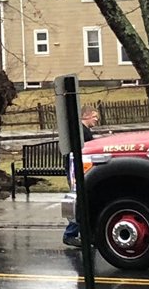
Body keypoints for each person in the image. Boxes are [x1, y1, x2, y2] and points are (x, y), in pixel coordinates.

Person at [62, 105, 99, 248]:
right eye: (94, 116)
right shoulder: (80, 132)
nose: (96, 119)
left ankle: (87, 235)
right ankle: (70, 234)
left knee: (85, 202)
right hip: (78, 171)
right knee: (79, 202)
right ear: (86, 116)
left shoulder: (83, 131)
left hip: (81, 170)